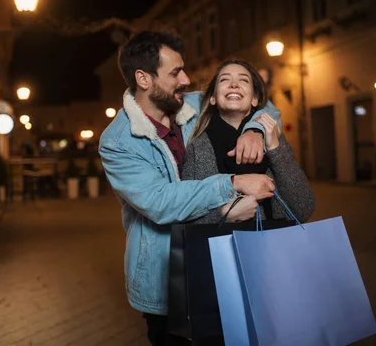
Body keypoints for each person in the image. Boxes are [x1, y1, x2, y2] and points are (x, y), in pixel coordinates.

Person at [98, 31, 281, 345]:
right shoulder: (117, 141)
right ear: (143, 79)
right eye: (174, 73)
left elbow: (265, 105)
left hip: (224, 259)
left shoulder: (195, 105)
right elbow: (160, 202)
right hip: (168, 275)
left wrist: (252, 129)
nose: (185, 79)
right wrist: (232, 184)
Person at [183, 59, 315, 224]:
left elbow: (304, 209)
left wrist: (274, 148)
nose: (234, 84)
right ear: (212, 99)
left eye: (243, 80)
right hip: (220, 248)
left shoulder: (271, 136)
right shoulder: (197, 146)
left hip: (273, 245)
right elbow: (186, 217)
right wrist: (225, 214)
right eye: (224, 79)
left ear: (254, 99)